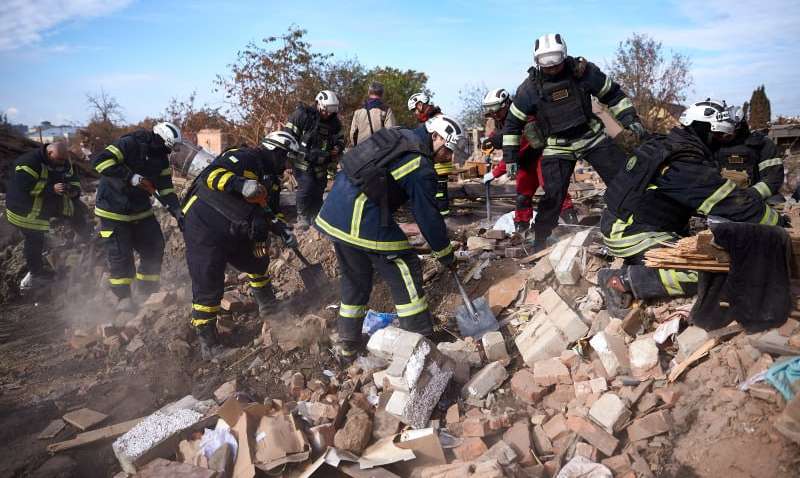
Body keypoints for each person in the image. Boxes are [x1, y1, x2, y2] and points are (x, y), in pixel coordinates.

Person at [597, 99, 781, 316]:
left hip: (625, 223)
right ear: (708, 132)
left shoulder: (667, 145)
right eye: (721, 136)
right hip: (632, 233)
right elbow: (730, 203)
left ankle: (637, 266)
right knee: (712, 268)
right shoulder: (684, 162)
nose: (723, 142)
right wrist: (777, 223)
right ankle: (622, 281)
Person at [314, 115, 462, 360]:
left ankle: (348, 344)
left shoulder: (401, 135)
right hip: (360, 213)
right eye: (448, 149)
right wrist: (446, 254)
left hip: (334, 209)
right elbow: (427, 216)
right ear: (435, 137)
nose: (448, 157)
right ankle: (420, 337)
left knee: (356, 278)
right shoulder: (420, 163)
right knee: (404, 264)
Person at [501, 33, 645, 251]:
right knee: (554, 195)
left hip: (591, 136)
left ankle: (640, 224)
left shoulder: (584, 72)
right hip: (556, 144)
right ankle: (539, 239)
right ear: (537, 61)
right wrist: (510, 157)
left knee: (622, 180)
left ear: (564, 55)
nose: (551, 69)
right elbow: (512, 124)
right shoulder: (529, 88)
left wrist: (630, 121)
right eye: (545, 65)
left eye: (555, 63)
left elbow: (613, 95)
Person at [181, 131, 300, 357]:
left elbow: (270, 211)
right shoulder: (244, 157)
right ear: (276, 151)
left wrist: (282, 229)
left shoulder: (271, 181)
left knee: (258, 261)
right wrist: (240, 183)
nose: (287, 166)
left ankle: (269, 308)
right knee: (209, 280)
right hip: (204, 224)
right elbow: (212, 176)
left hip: (234, 227)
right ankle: (209, 345)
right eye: (286, 159)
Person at [90, 122, 184, 308]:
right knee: (121, 257)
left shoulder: (161, 159)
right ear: (161, 139)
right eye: (169, 147)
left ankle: (147, 293)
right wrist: (129, 176)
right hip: (113, 210)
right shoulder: (130, 144)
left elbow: (165, 189)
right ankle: (122, 299)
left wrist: (177, 211)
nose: (169, 152)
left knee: (154, 247)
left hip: (141, 211)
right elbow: (100, 162)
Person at [481, 87, 578, 230]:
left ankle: (572, 223)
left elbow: (517, 149)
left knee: (553, 189)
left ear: (505, 104)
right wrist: (491, 140)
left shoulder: (524, 117)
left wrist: (495, 173)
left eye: (495, 109)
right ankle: (522, 227)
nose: (493, 114)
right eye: (490, 110)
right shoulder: (500, 120)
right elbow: (500, 134)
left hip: (541, 156)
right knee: (522, 196)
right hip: (525, 162)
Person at [6, 141, 90, 290]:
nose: (62, 163)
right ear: (50, 153)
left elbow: (73, 178)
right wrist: (51, 188)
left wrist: (73, 190)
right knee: (34, 238)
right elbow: (25, 186)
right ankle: (36, 273)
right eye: (59, 160)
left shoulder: (63, 160)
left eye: (64, 160)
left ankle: (86, 238)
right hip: (24, 208)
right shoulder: (27, 162)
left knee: (77, 208)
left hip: (48, 200)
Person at [283, 90, 345, 229]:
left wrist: (338, 147)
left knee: (318, 190)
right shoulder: (302, 115)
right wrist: (287, 159)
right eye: (325, 110)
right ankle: (303, 216)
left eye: (331, 111)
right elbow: (288, 136)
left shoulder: (335, 123)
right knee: (306, 187)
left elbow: (341, 139)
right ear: (318, 104)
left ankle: (316, 217)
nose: (328, 114)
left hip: (322, 163)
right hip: (302, 161)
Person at [715, 105, 784, 204]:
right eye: (719, 132)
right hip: (719, 197)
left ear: (740, 126)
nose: (722, 136)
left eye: (727, 131)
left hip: (755, 198)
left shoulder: (762, 144)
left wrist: (751, 195)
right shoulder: (713, 146)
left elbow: (773, 178)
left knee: (777, 202)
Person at [407, 92, 451, 216]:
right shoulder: (436, 118)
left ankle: (442, 218)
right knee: (439, 191)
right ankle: (440, 214)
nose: (415, 114)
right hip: (438, 162)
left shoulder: (436, 121)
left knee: (439, 191)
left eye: (414, 110)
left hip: (439, 162)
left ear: (420, 105)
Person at [350, 81, 397, 146]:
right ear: (382, 94)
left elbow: (353, 133)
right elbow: (391, 131)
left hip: (361, 150)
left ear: (368, 92)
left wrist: (355, 146)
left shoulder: (358, 111)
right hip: (380, 149)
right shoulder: (386, 110)